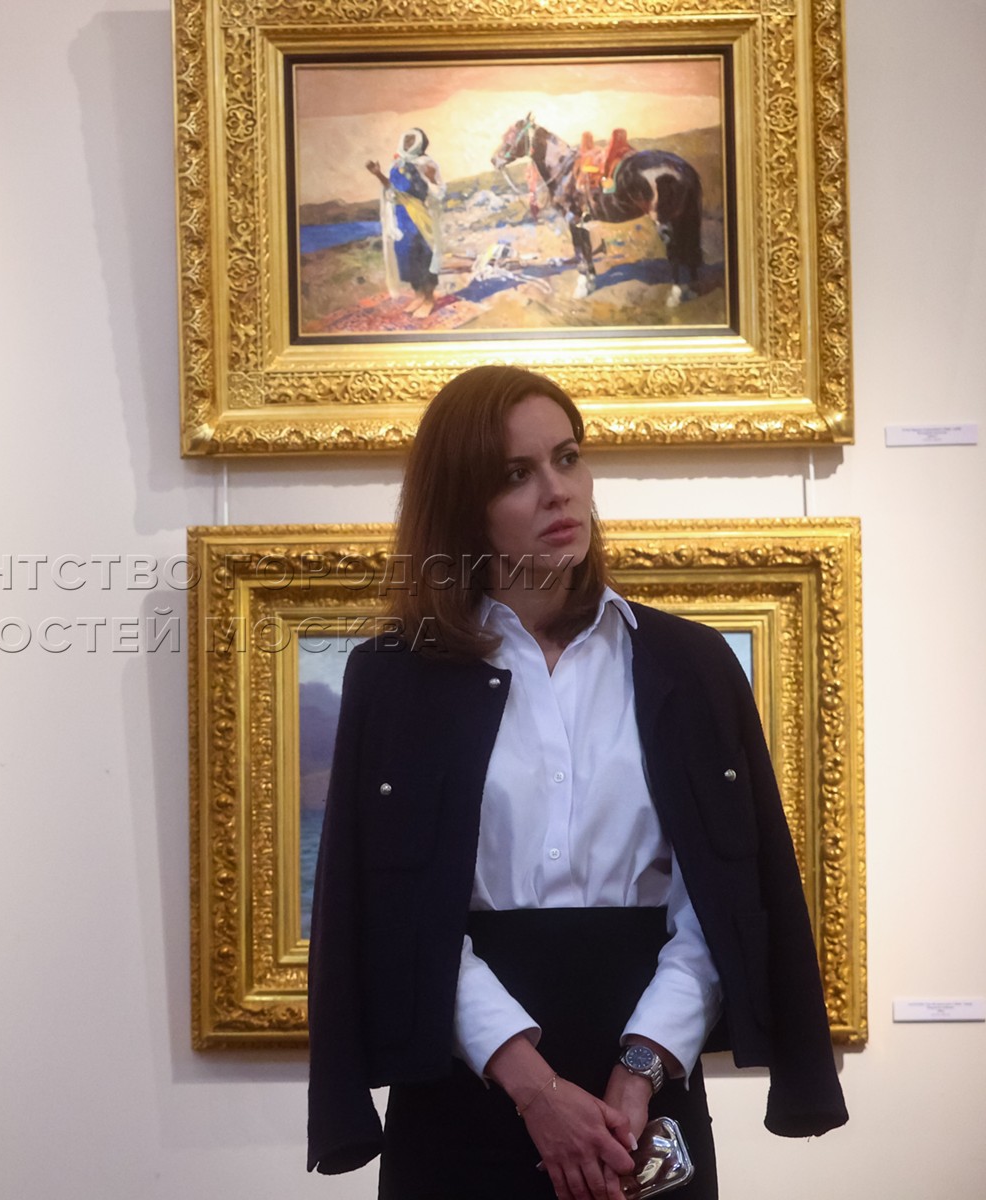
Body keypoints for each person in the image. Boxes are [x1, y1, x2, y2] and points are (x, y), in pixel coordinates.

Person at [306, 365, 846, 1200]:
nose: (558, 491)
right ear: (462, 504)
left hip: (647, 1104)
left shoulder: (691, 665)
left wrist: (640, 1069)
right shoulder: (397, 678)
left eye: (567, 458)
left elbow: (722, 895)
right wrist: (533, 1085)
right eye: (516, 474)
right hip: (463, 1090)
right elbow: (394, 910)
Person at [366, 129, 446, 320]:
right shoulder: (396, 164)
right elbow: (391, 190)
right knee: (407, 259)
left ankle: (429, 299)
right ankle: (418, 296)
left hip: (421, 217)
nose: (408, 143)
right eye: (406, 139)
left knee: (424, 257)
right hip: (401, 218)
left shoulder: (426, 164)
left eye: (412, 140)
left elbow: (439, 193)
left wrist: (432, 178)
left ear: (420, 143)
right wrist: (378, 174)